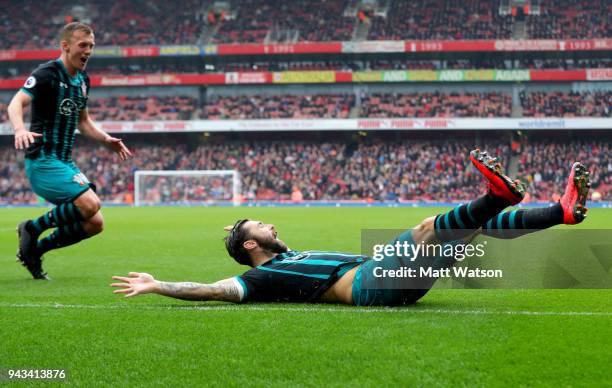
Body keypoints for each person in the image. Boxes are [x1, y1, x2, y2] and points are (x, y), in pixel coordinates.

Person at [111, 150, 590, 306]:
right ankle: (496, 195)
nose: (273, 224)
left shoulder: (285, 255)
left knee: (469, 230)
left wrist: (237, 230)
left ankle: (560, 213)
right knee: (429, 225)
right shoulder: (257, 278)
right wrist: (158, 286)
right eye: (263, 225)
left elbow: (248, 241)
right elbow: (213, 289)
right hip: (370, 284)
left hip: (384, 276)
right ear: (254, 245)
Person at [8, 22, 132, 280]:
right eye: (83, 45)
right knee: (90, 204)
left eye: (92, 46)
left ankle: (35, 250)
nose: (88, 51)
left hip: (64, 161)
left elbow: (83, 122)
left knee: (95, 223)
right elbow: (16, 102)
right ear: (65, 46)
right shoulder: (47, 73)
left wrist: (106, 139)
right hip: (42, 159)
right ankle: (31, 228)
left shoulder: (83, 81)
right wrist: (20, 130)